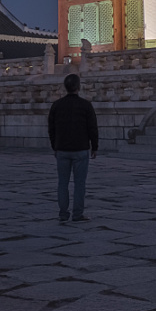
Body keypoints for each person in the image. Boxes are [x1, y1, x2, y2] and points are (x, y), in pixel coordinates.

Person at [47, 73, 98, 223]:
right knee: (79, 183)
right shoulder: (85, 105)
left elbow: (51, 128)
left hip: (62, 149)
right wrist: (94, 147)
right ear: (78, 87)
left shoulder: (56, 105)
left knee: (62, 182)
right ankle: (77, 214)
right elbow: (92, 128)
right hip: (80, 149)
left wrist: (54, 146)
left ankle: (63, 214)